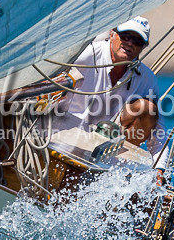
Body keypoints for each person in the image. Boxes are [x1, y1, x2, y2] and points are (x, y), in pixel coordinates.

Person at [50, 17, 161, 150]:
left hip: (107, 139)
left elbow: (159, 127)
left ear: (144, 46)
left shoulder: (148, 78)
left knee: (148, 108)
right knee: (55, 80)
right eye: (125, 36)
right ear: (112, 34)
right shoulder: (87, 54)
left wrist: (160, 167)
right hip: (64, 126)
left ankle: (118, 162)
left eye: (137, 40)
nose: (130, 43)